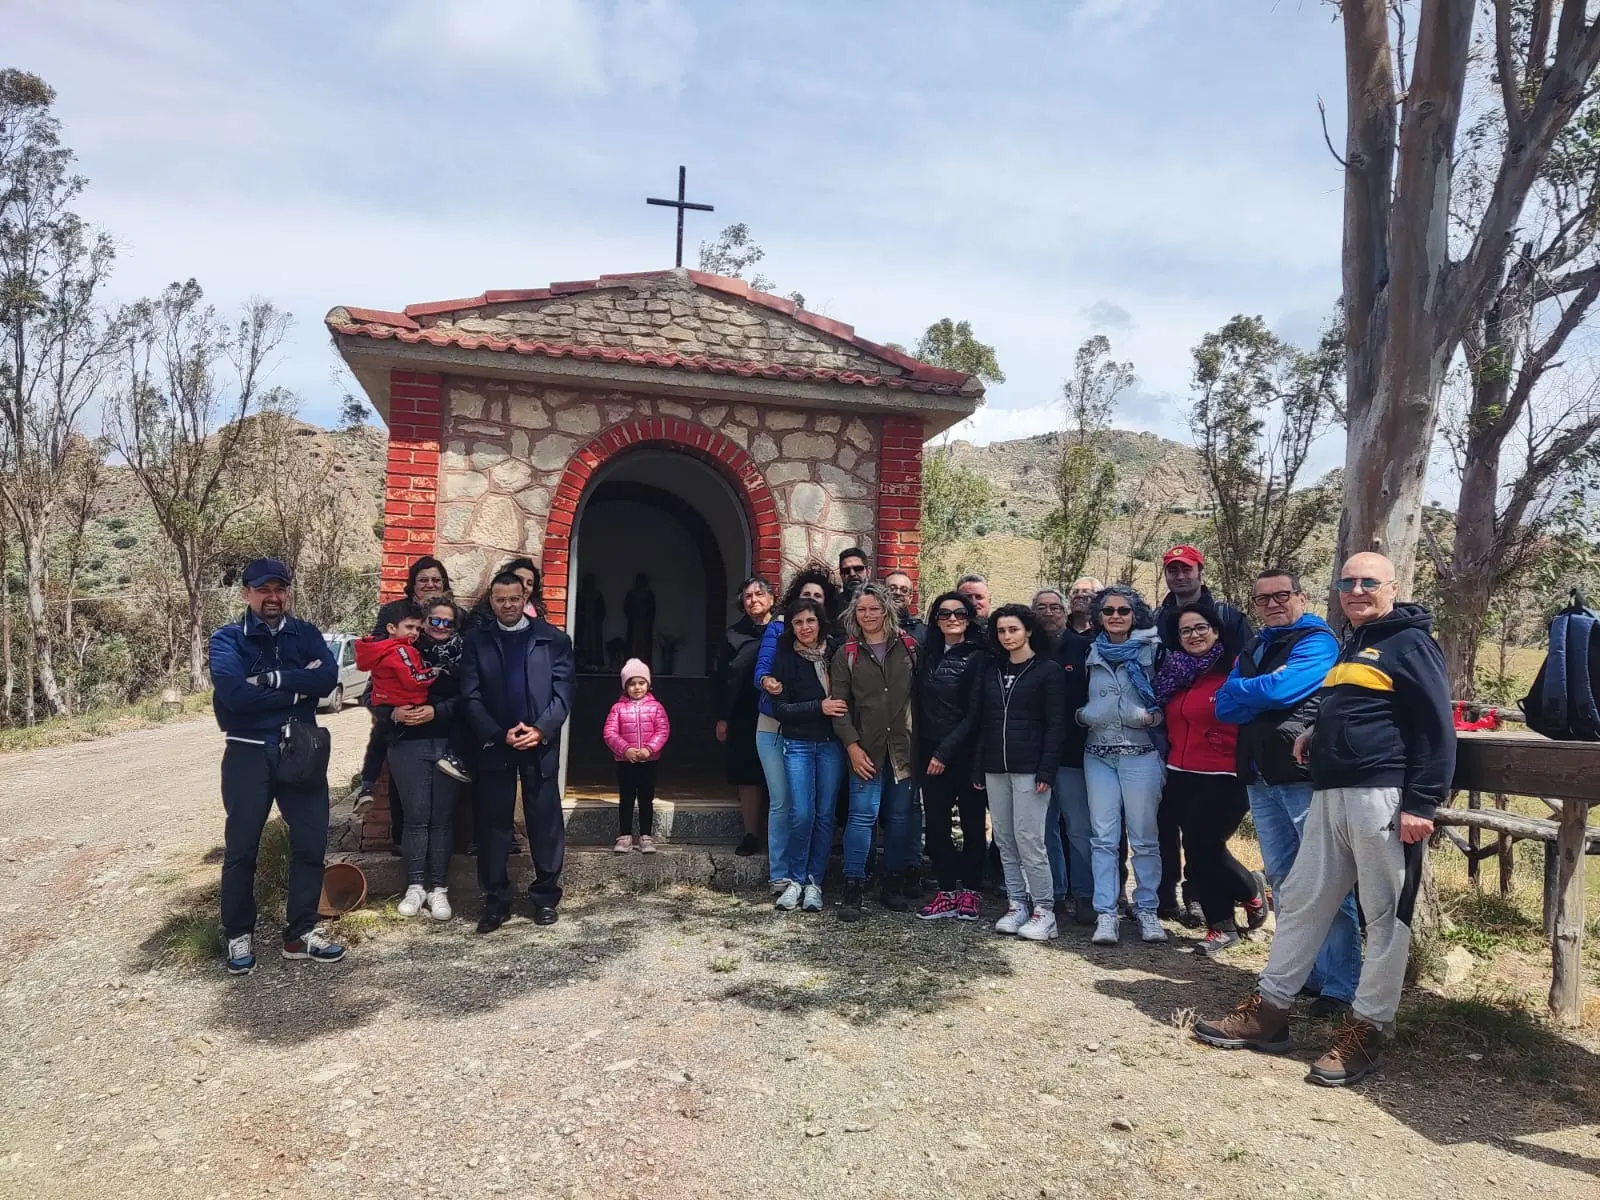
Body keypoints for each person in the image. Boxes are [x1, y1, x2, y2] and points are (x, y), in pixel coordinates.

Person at [1195, 553, 1457, 1087]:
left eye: (1369, 582)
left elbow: (1436, 727)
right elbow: (1355, 707)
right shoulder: (1355, 642)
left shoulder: (1411, 643)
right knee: (1300, 900)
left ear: (1393, 587)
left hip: (1382, 796)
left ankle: (1368, 1029)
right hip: (1331, 793)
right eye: (1348, 582)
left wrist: (1422, 803)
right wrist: (1317, 733)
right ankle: (1270, 1012)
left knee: (1385, 915)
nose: (1356, 590)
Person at [1215, 570, 1359, 1016]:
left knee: (1327, 880)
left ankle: (1340, 985)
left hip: (1301, 776)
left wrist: (1246, 689)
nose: (1272, 604)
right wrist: (1252, 691)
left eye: (1281, 595)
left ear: (1301, 596)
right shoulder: (1257, 645)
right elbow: (1224, 705)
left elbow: (1281, 691)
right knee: (1283, 879)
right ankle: (1305, 971)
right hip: (1260, 775)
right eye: (1263, 599)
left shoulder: (1318, 642)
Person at [209, 558, 343, 974]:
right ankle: (238, 933)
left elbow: (327, 680)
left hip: (302, 749)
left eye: (279, 588)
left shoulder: (306, 634)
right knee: (241, 848)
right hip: (248, 751)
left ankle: (300, 932)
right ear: (246, 593)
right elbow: (233, 696)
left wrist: (269, 680)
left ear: (287, 592)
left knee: (310, 842)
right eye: (263, 589)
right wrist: (299, 684)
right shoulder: (227, 639)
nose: (273, 597)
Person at [460, 570, 575, 933]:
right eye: (500, 600)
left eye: (514, 598)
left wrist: (541, 729)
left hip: (540, 744)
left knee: (545, 821)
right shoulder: (476, 641)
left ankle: (545, 897)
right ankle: (496, 901)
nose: (507, 605)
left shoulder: (554, 639)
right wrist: (498, 734)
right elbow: (470, 696)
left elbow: (564, 693)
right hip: (496, 744)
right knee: (493, 824)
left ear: (525, 598)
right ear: (491, 601)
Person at [1153, 604, 1266, 954]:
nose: (1194, 635)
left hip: (1225, 774)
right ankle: (1240, 903)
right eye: (1185, 631)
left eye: (1201, 627)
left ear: (1216, 631)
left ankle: (1234, 911)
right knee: (1198, 849)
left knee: (1205, 846)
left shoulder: (1236, 669)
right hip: (1179, 772)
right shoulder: (1175, 674)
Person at [1077, 584, 1167, 946]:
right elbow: (1073, 695)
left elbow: (1169, 695)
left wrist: (1150, 717)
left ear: (1135, 615)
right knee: (1103, 839)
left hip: (1141, 753)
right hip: (1098, 753)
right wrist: (1084, 715)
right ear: (1098, 616)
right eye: (1108, 611)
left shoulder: (1154, 650)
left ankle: (1147, 910)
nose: (1116, 616)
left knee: (1144, 837)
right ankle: (1106, 913)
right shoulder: (1088, 651)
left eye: (1123, 610)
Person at [971, 604, 1066, 941]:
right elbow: (985, 722)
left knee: (1030, 839)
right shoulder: (993, 670)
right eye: (1001, 631)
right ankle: (1016, 904)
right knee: (1004, 838)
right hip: (996, 767)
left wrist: (1047, 770)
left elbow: (1056, 725)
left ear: (1028, 630)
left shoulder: (1048, 670)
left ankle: (1044, 910)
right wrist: (980, 765)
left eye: (1013, 629)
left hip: (1030, 769)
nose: (1007, 636)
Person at [830, 582, 920, 921]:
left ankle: (892, 882)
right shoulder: (847, 653)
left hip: (903, 749)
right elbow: (839, 707)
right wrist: (852, 747)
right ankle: (853, 884)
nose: (868, 615)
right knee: (861, 817)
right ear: (853, 614)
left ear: (886, 610)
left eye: (874, 609)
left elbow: (921, 699)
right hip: (865, 749)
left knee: (898, 818)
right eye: (862, 610)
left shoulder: (910, 648)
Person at [356, 555, 457, 814]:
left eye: (436, 579)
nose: (430, 584)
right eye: (423, 580)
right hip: (402, 723)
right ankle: (367, 788)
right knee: (407, 806)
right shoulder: (396, 615)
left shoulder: (455, 615)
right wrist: (391, 712)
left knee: (445, 811)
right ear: (412, 585)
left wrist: (439, 709)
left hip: (443, 722)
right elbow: (376, 677)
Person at [388, 595, 467, 921]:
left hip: (450, 744)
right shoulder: (402, 651)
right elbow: (373, 694)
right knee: (416, 817)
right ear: (424, 622)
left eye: (448, 622)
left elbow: (471, 698)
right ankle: (416, 886)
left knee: (443, 819)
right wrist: (392, 712)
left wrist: (437, 710)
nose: (441, 627)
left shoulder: (465, 655)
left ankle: (438, 889)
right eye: (435, 620)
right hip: (409, 744)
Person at [913, 591, 987, 921]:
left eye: (959, 613)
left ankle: (970, 890)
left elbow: (975, 713)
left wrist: (945, 752)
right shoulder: (926, 654)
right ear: (936, 619)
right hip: (930, 753)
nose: (952, 619)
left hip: (966, 755)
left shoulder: (979, 656)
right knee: (938, 825)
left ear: (969, 618)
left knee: (972, 824)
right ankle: (946, 891)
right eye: (945, 614)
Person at [770, 597, 846, 913]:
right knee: (802, 813)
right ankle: (795, 880)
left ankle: (815, 882)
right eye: (798, 622)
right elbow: (781, 709)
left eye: (810, 621)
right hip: (798, 744)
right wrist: (819, 707)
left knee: (826, 815)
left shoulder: (836, 652)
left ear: (820, 622)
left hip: (832, 744)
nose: (805, 628)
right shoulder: (785, 658)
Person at [717, 577, 778, 861]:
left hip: (780, 713)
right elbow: (721, 679)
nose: (753, 600)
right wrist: (722, 717)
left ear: (771, 599)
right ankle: (751, 834)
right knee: (748, 774)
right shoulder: (733, 635)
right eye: (748, 596)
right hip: (743, 714)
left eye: (759, 594)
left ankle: (777, 837)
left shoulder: (784, 630)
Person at [1052, 618, 1095, 925]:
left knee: (1079, 828)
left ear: (1064, 612)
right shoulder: (1028, 648)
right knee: (1044, 831)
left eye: (1055, 607)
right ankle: (1052, 893)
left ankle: (1084, 894)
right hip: (1035, 756)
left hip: (1073, 754)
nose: (1049, 612)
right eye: (1042, 607)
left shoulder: (1083, 648)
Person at [604, 658, 671, 854]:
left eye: (641, 682)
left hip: (649, 761)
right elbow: (610, 732)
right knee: (626, 798)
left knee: (646, 798)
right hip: (625, 761)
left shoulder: (656, 707)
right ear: (625, 686)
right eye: (632, 683)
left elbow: (663, 730)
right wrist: (625, 749)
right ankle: (625, 835)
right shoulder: (618, 708)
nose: (637, 687)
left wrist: (649, 749)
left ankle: (645, 836)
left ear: (648, 684)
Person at [1155, 545, 1250, 653]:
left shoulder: (1228, 617)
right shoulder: (1156, 619)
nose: (1180, 576)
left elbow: (1248, 659)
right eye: (1173, 571)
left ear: (1200, 574)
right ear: (1166, 576)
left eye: (1186, 570)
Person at [885, 571, 926, 643]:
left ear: (910, 598)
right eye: (892, 588)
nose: (898, 593)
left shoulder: (923, 632)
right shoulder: (871, 626)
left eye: (904, 590)